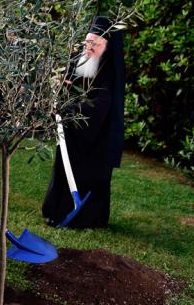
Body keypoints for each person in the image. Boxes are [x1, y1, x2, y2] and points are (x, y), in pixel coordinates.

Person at [42, 16, 125, 229]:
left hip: (96, 138)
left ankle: (86, 219)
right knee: (64, 171)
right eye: (87, 42)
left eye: (95, 44)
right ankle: (57, 211)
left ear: (106, 47)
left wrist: (69, 108)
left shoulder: (109, 72)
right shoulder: (80, 60)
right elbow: (66, 84)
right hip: (73, 133)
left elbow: (100, 107)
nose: (89, 48)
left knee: (89, 176)